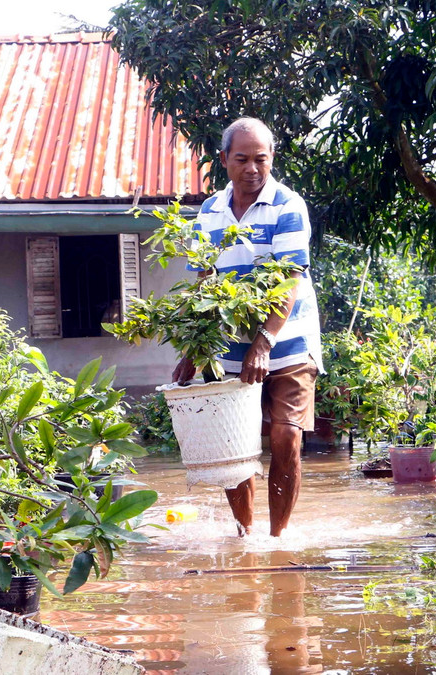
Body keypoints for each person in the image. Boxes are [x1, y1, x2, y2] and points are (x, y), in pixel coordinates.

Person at [173, 117, 323, 537]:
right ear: (224, 160)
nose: (252, 168)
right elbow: (204, 283)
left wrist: (264, 341)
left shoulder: (288, 206)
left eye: (261, 159)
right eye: (242, 159)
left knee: (285, 438)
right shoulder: (209, 211)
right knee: (232, 445)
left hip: (289, 342)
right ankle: (245, 534)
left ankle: (278, 539)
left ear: (272, 158)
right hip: (229, 346)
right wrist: (193, 350)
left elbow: (290, 278)